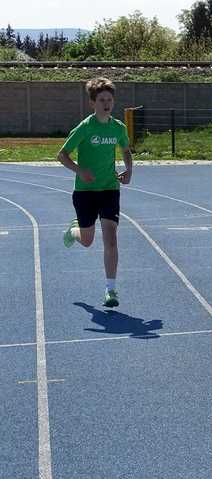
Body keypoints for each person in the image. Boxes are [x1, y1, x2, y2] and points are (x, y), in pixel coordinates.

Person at [57, 77, 133, 308]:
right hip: (85, 191)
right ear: (93, 103)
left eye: (109, 99)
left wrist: (128, 170)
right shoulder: (85, 128)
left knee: (111, 238)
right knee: (88, 241)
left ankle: (111, 290)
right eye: (101, 100)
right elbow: (62, 155)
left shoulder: (118, 127)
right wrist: (80, 170)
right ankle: (74, 230)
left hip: (110, 188)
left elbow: (126, 150)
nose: (106, 103)